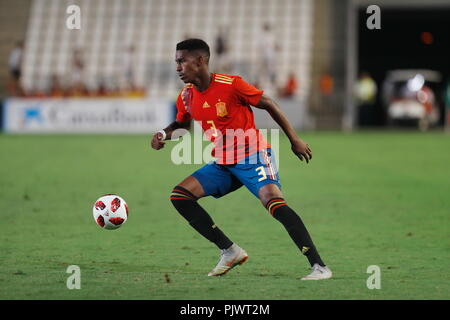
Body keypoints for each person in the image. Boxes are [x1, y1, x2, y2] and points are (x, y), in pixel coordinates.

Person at [151, 39, 332, 280]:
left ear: (200, 61)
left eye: (182, 61)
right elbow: (183, 124)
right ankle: (229, 251)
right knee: (180, 196)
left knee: (273, 202)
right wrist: (164, 134)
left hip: (253, 155)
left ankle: (319, 266)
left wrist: (294, 139)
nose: (177, 68)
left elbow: (268, 104)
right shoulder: (186, 95)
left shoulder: (231, 85)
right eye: (176, 62)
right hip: (224, 163)